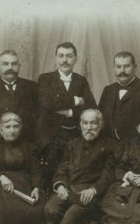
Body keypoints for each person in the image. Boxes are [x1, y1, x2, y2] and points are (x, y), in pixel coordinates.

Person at [31, 109, 116, 224]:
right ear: (80, 125)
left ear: (101, 125)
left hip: (93, 194)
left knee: (74, 212)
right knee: (50, 208)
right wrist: (60, 185)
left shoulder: (111, 145)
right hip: (70, 190)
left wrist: (94, 190)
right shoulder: (73, 144)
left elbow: (109, 175)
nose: (89, 127)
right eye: (85, 123)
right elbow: (62, 169)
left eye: (93, 123)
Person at [36, 42, 96, 183]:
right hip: (50, 136)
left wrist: (69, 112)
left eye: (69, 56)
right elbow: (47, 104)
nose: (64, 60)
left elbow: (91, 106)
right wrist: (76, 100)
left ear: (76, 59)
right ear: (55, 58)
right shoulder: (45, 78)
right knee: (49, 174)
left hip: (75, 134)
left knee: (72, 172)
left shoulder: (81, 80)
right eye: (61, 56)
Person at [0, 50, 38, 149]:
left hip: (25, 146)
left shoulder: (32, 87)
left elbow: (38, 118)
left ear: (19, 66)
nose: (10, 67)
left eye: (14, 64)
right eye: (5, 64)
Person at [98, 51, 140, 141]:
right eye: (118, 67)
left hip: (137, 149)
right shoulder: (108, 90)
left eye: (127, 66)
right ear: (113, 68)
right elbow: (100, 120)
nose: (122, 71)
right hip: (110, 147)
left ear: (135, 67)